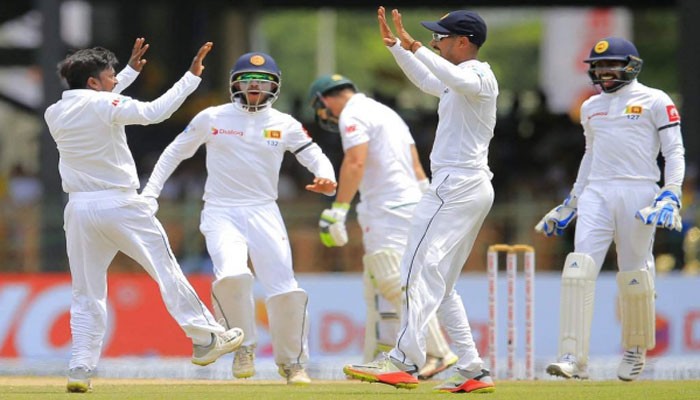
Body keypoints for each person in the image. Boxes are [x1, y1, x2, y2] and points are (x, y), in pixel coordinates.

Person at [44, 39, 244, 393]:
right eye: (110, 76)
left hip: (78, 209)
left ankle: (80, 367)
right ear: (93, 82)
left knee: (86, 294)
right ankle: (206, 338)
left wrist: (129, 72)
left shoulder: (55, 112)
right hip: (121, 204)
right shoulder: (104, 104)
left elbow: (100, 98)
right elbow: (154, 112)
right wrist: (191, 77)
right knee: (166, 271)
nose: (113, 81)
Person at [142, 52, 337, 385]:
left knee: (285, 289)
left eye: (262, 82)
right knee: (232, 276)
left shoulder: (284, 123)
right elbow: (175, 151)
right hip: (221, 211)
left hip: (264, 210)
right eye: (247, 81)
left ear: (274, 86)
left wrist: (327, 176)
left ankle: (292, 363)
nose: (255, 87)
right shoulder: (212, 117)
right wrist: (150, 192)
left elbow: (313, 153)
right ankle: (243, 347)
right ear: (235, 84)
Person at [342, 7, 498, 393]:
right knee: (441, 285)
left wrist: (414, 46)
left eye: (440, 37)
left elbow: (450, 76)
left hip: (456, 186)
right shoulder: (458, 80)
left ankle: (404, 360)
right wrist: (398, 48)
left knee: (415, 269)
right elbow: (430, 80)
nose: (434, 42)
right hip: (463, 186)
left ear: (464, 41)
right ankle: (473, 369)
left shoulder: (479, 75)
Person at [535, 37, 685, 382]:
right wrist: (573, 201)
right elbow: (590, 155)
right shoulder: (591, 107)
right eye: (599, 65)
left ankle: (635, 347)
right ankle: (573, 357)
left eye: (611, 64)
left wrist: (671, 193)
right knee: (578, 268)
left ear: (630, 65)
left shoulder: (655, 100)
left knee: (634, 273)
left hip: (639, 190)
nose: (604, 71)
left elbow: (674, 152)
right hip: (597, 192)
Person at [307, 73, 458, 380]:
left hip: (387, 208)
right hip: (408, 202)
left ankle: (437, 350)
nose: (325, 115)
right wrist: (426, 202)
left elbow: (355, 162)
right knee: (376, 285)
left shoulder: (352, 114)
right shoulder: (385, 112)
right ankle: (379, 357)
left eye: (321, 108)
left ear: (325, 99)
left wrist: (338, 210)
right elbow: (415, 164)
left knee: (391, 278)